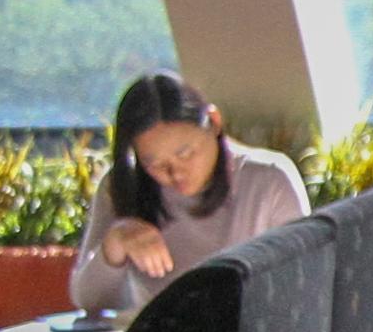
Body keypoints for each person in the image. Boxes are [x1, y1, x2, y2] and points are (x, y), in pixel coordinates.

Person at [69, 71, 313, 314]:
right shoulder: (124, 185)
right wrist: (114, 245)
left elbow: (305, 285)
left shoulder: (268, 179)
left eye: (185, 154)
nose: (175, 173)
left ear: (214, 122)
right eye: (154, 163)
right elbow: (89, 301)